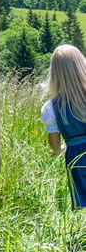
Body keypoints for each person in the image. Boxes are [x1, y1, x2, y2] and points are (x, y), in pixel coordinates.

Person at [41, 44, 85, 209]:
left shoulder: (51, 108)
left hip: (76, 157)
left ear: (54, 73)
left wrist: (59, 149)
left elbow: (55, 147)